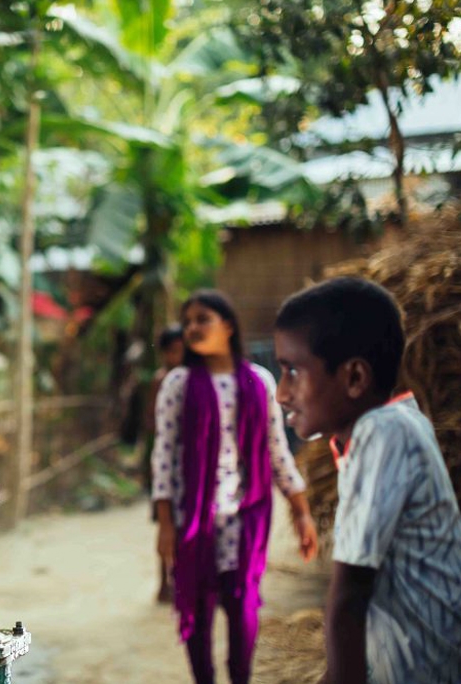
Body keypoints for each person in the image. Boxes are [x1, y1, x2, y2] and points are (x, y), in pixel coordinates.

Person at [273, 277, 461, 684]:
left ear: (354, 377)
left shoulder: (383, 433)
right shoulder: (395, 425)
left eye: (292, 371)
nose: (281, 393)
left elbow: (348, 597)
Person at [151, 289, 317, 684]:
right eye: (187, 320)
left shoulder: (259, 383)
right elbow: (164, 456)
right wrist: (165, 523)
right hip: (193, 521)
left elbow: (277, 451)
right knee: (198, 609)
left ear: (227, 326)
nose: (192, 327)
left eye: (202, 319)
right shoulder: (178, 384)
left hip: (245, 520)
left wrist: (301, 509)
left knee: (243, 608)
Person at [145, 323, 184, 603]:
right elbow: (151, 421)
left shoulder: (190, 379)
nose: (177, 357)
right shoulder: (162, 380)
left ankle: (178, 580)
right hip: (165, 460)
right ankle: (163, 582)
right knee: (165, 522)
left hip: (184, 462)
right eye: (172, 352)